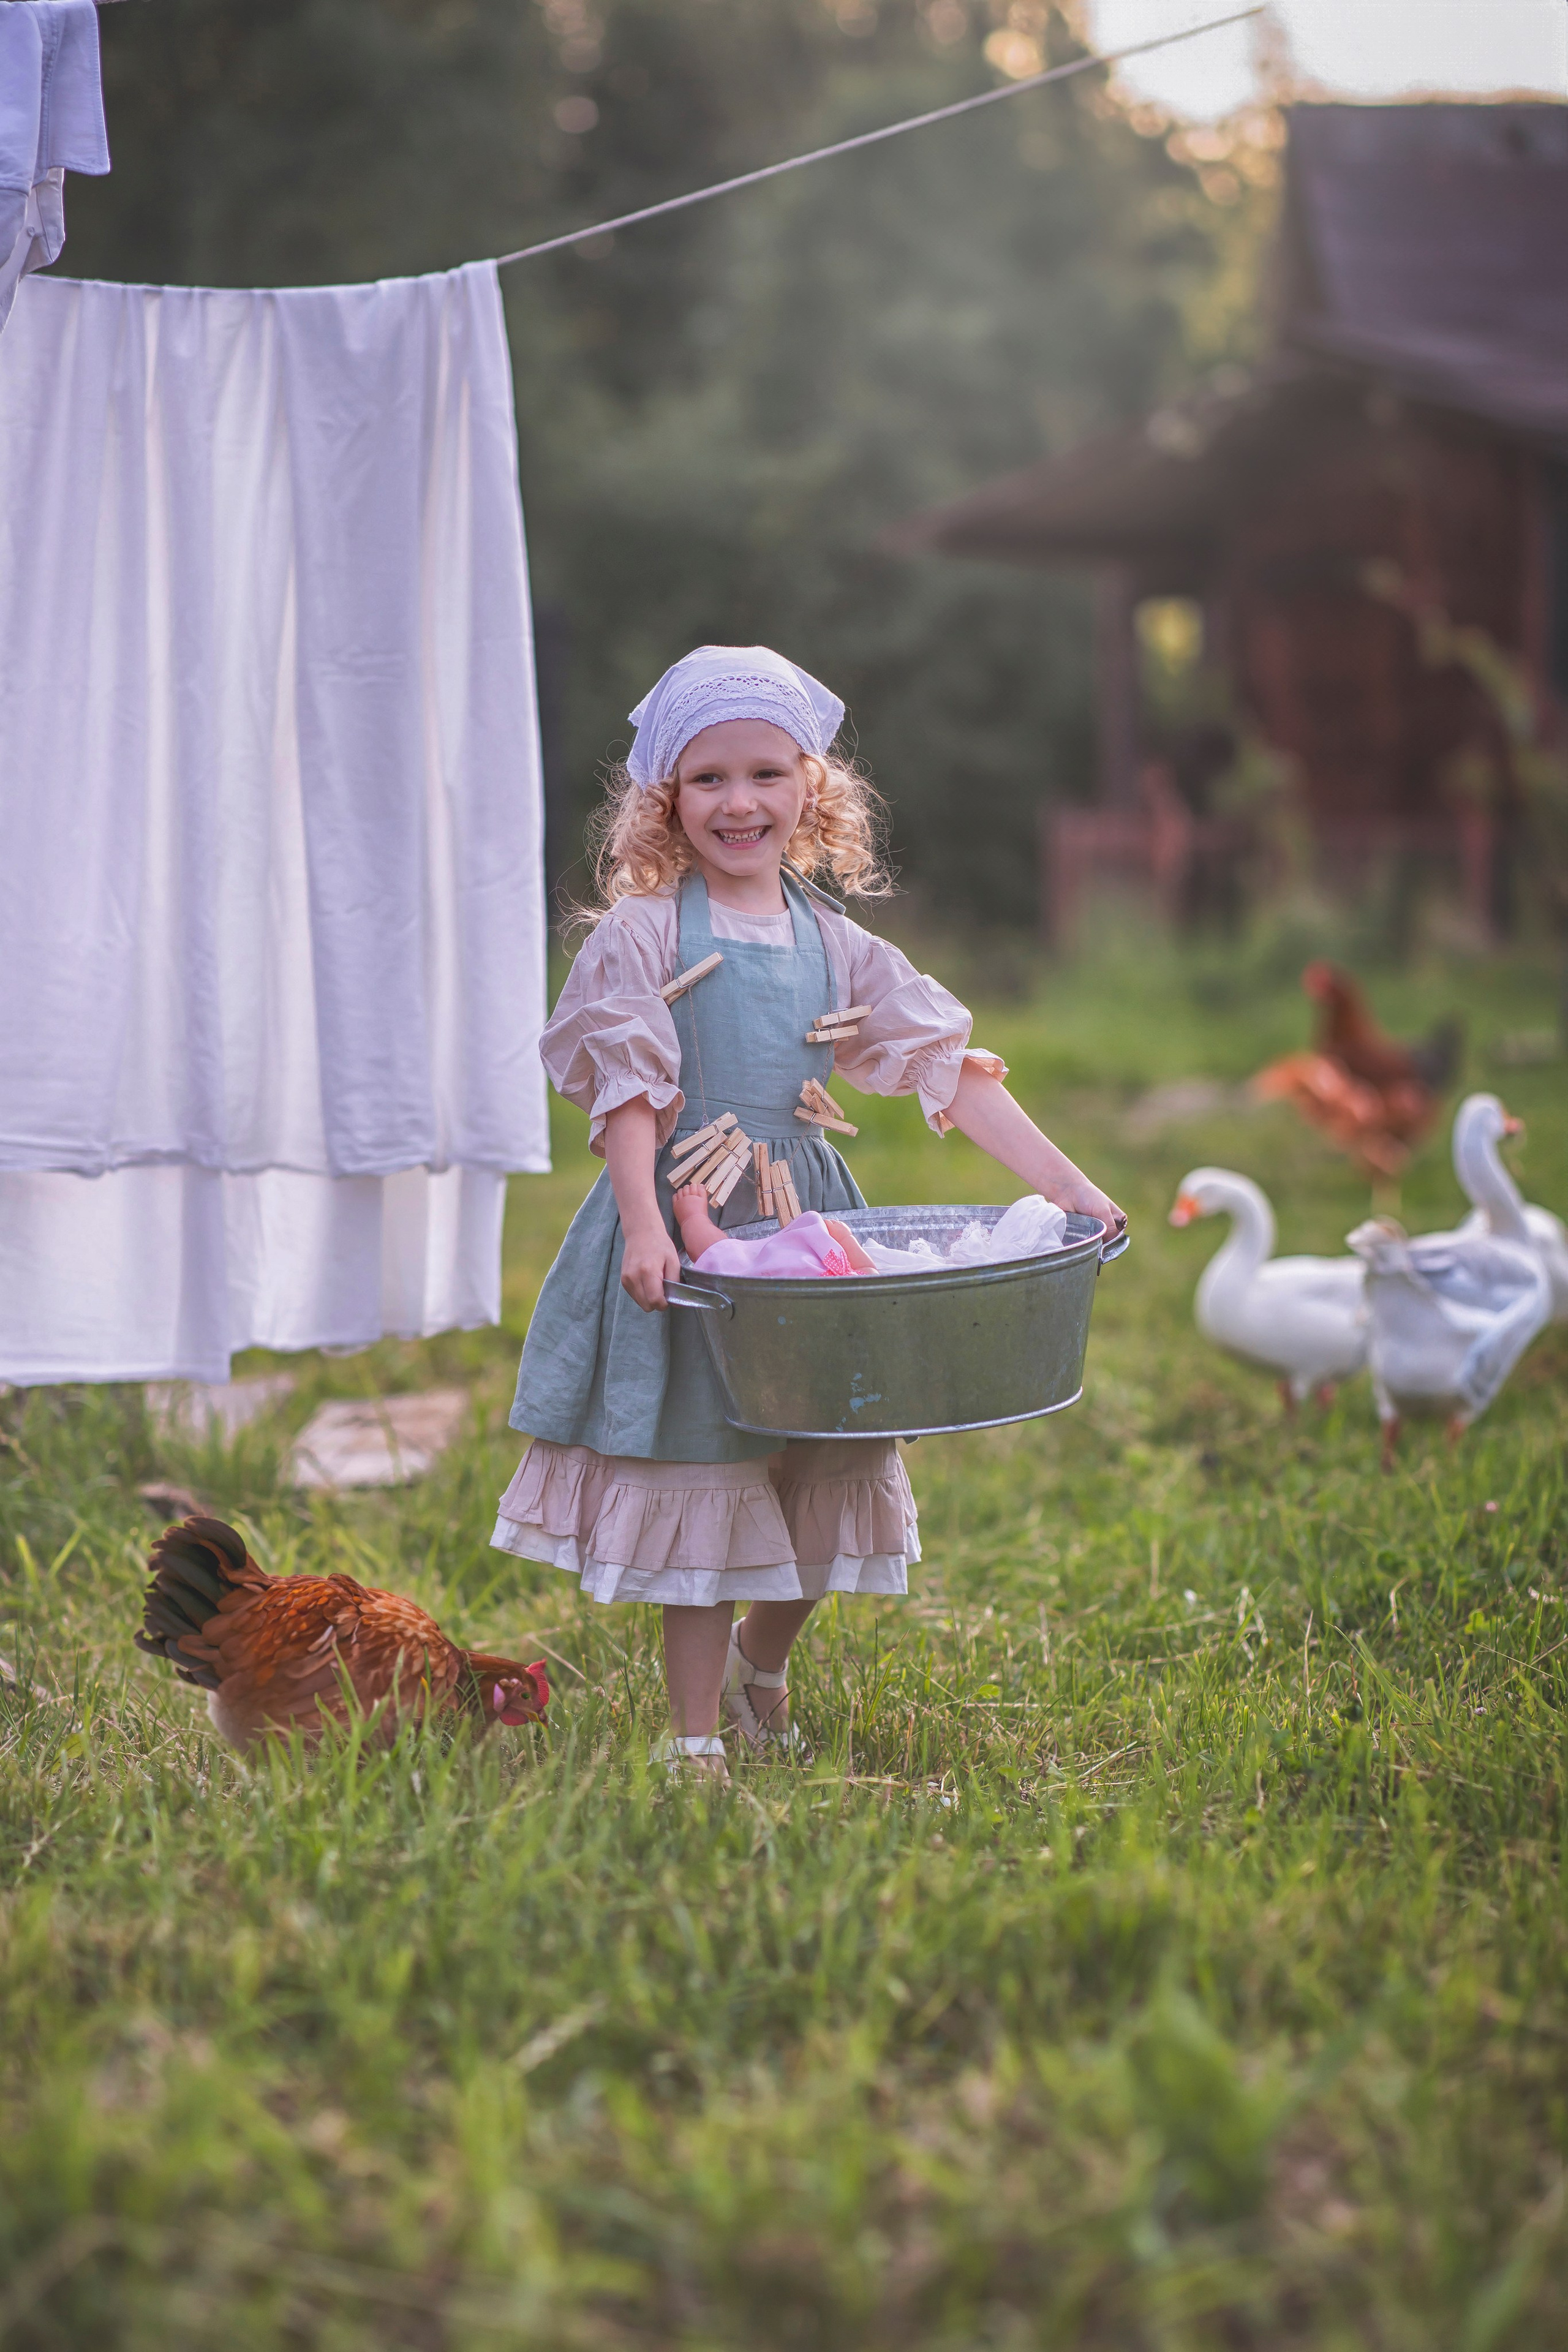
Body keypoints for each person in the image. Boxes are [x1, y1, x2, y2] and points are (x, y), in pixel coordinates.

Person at [492, 646, 1124, 1779]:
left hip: (804, 1224)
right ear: (664, 801)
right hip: (692, 1223)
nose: (740, 804)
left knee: (835, 1468)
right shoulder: (639, 937)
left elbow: (952, 1071)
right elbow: (631, 1097)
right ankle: (692, 1751)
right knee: (704, 1479)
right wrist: (643, 1222)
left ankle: (760, 1664)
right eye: (708, 780)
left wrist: (1069, 1189)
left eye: (766, 775)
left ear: (810, 789)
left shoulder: (832, 941)